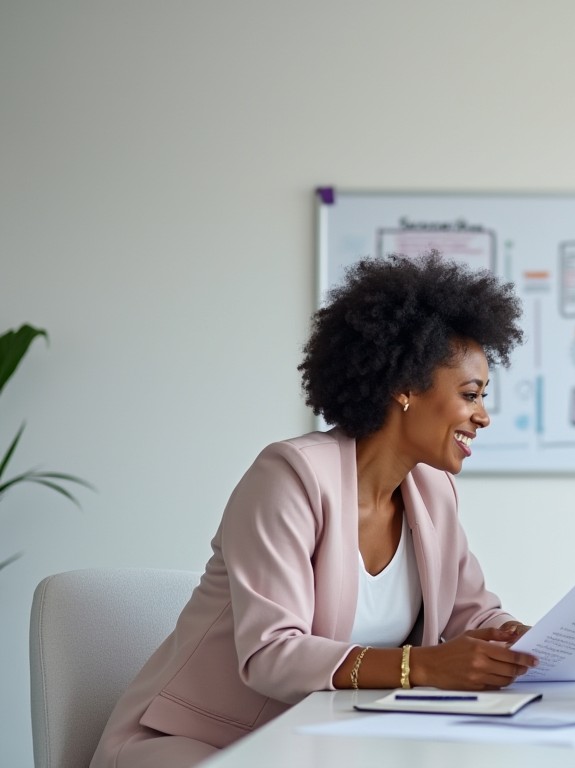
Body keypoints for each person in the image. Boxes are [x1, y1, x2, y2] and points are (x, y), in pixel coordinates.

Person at [93, 253, 540, 767]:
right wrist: (419, 667)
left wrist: (542, 643)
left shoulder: (432, 491)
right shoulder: (289, 477)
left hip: (320, 745)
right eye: (471, 395)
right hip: (197, 743)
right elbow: (271, 653)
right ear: (405, 388)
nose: (483, 416)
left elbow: (472, 615)